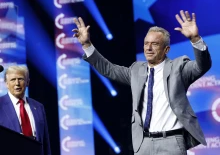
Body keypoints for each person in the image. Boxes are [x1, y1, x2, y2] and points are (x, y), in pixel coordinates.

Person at [72, 10, 212, 155]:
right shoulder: (136, 70)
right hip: (143, 143)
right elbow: (109, 69)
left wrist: (195, 39)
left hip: (171, 142)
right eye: (146, 43)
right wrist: (87, 45)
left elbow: (203, 65)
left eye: (155, 44)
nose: (148, 48)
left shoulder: (179, 67)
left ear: (166, 49)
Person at [0, 65, 51, 155]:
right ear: (6, 84)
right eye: (13, 80)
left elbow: (45, 141)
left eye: (21, 79)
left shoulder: (39, 107)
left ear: (28, 82)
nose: (17, 83)